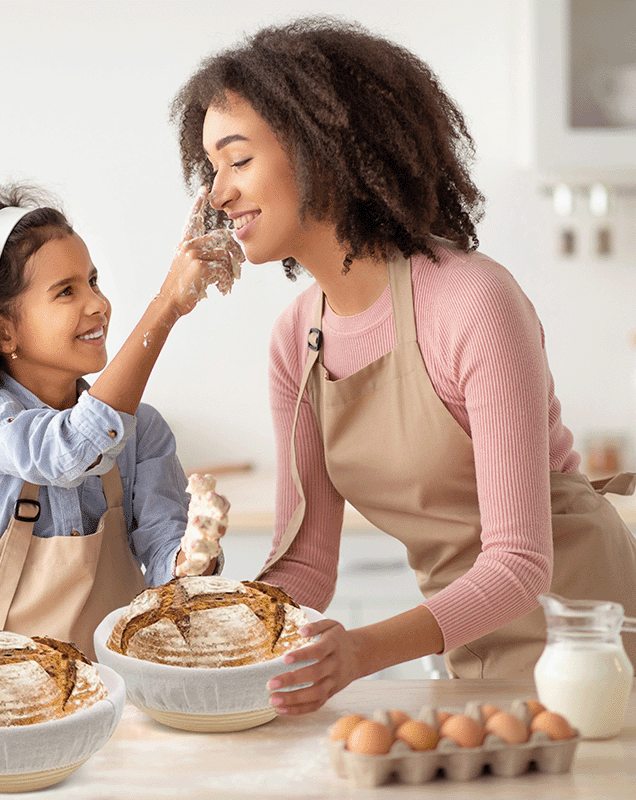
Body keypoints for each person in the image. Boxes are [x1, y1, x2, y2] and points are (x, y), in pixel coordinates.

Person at [171, 17, 636, 712]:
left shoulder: (473, 301)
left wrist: (358, 652)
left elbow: (517, 564)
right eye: (211, 169)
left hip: (591, 646)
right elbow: (305, 563)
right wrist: (206, 630)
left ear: (319, 149)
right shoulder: (296, 339)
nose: (217, 193)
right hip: (468, 642)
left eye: (237, 161)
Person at [0, 183, 241, 659]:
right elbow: (67, 452)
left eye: (93, 281)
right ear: (2, 330)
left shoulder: (144, 431)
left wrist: (191, 558)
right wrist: (166, 306)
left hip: (111, 693)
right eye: (66, 292)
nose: (97, 303)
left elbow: (164, 562)